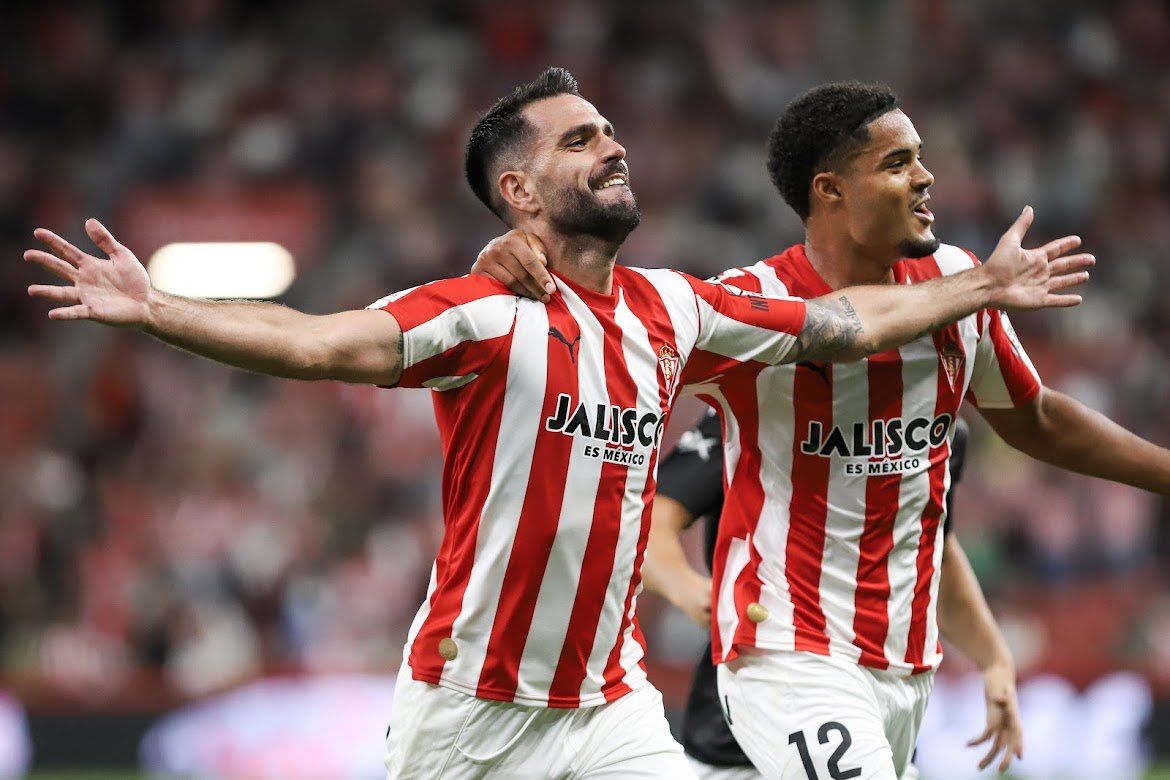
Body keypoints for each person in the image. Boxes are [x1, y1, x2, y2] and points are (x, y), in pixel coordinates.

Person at [25, 70, 1089, 779]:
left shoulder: (675, 309)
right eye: (582, 140)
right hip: (469, 712)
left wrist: (979, 287)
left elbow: (842, 325)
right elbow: (316, 342)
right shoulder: (483, 313)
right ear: (520, 190)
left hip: (609, 707)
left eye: (611, 132)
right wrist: (158, 308)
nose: (614, 148)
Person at [471, 79, 1168, 780]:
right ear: (831, 191)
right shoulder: (750, 306)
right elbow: (603, 328)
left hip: (905, 666)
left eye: (919, 157)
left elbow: (1034, 422)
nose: (925, 177)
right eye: (897, 163)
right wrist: (520, 263)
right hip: (787, 657)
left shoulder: (958, 279)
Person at [644, 415, 1018, 779]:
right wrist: (692, 591)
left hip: (885, 709)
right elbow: (653, 522)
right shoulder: (761, 403)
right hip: (758, 727)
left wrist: (994, 660)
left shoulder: (936, 421)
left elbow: (932, 554)